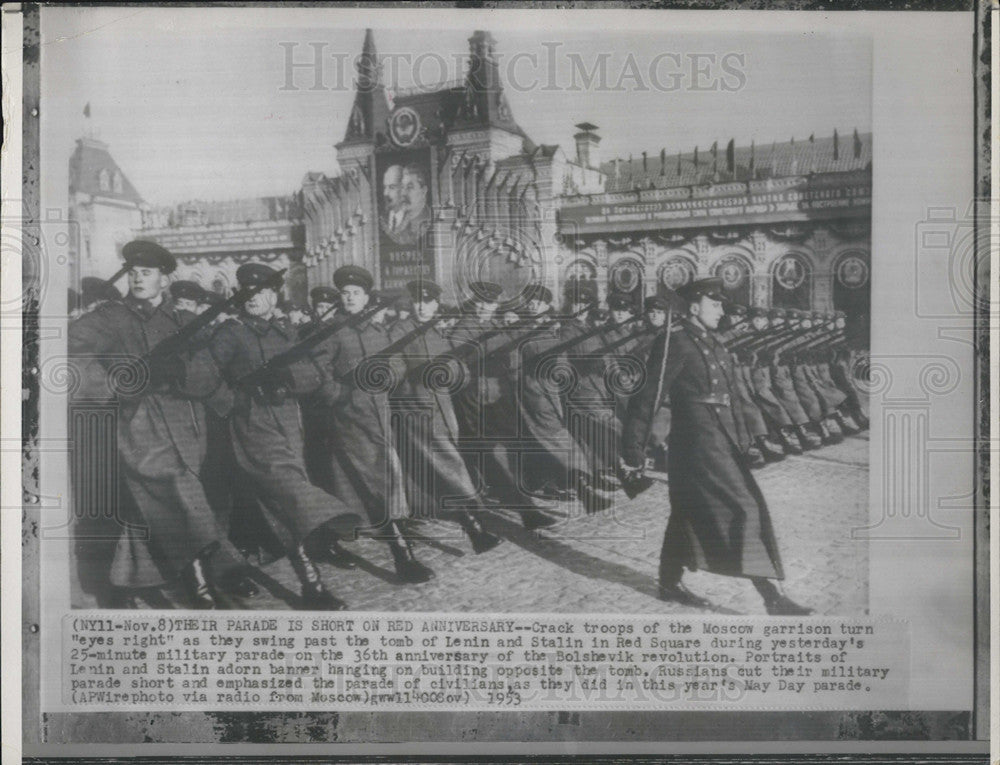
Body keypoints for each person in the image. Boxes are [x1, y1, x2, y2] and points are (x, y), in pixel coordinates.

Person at [620, 277, 812, 615]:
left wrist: (744, 440)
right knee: (744, 508)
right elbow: (646, 399)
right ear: (694, 307)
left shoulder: (713, 342)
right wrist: (632, 453)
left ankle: (668, 583)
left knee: (686, 512)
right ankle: (772, 598)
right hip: (696, 445)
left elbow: (733, 398)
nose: (721, 309)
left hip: (719, 441)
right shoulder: (674, 342)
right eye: (715, 303)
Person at [68, 240, 242, 608]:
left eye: (146, 272)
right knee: (179, 492)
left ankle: (125, 585)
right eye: (132, 271)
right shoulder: (109, 318)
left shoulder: (181, 321)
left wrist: (181, 370)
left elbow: (209, 371)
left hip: (187, 427)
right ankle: (200, 585)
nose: (137, 277)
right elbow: (68, 355)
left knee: (150, 506)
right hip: (138, 424)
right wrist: (116, 385)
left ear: (165, 279)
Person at [208, 263, 362, 609]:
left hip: (289, 423)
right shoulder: (230, 333)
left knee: (262, 504)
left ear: (273, 294)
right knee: (289, 493)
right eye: (246, 291)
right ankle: (313, 581)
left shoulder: (284, 332)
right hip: (250, 424)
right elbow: (207, 379)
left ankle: (231, 569)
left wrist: (285, 382)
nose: (252, 297)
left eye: (260, 290)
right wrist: (238, 397)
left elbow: (312, 373)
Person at [314, 265, 434, 583]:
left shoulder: (376, 331)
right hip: (348, 418)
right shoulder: (333, 331)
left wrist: (386, 377)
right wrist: (338, 394)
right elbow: (318, 372)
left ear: (367, 298)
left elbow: (396, 364)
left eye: (356, 293)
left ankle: (325, 539)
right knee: (373, 482)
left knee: (365, 480)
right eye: (345, 294)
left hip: (379, 415)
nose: (350, 298)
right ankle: (402, 556)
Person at [387, 278, 504, 548]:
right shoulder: (399, 331)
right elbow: (393, 370)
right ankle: (475, 526)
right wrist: (416, 378)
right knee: (448, 464)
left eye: (427, 301)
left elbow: (458, 369)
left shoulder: (435, 333)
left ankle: (416, 520)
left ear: (436, 303)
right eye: (417, 300)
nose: (422, 306)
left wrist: (453, 373)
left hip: (442, 409)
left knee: (434, 469)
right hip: (415, 409)